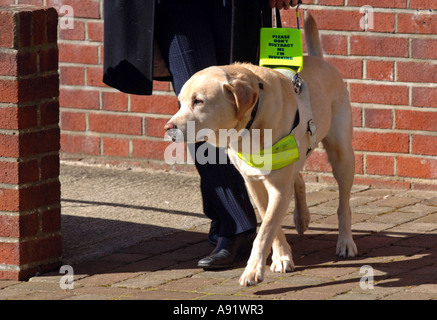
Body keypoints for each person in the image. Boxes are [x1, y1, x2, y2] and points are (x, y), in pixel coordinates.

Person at [103, 0, 300, 270]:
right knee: (197, 119)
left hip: (234, 6)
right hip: (176, 7)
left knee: (239, 108)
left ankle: (235, 216)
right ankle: (235, 225)